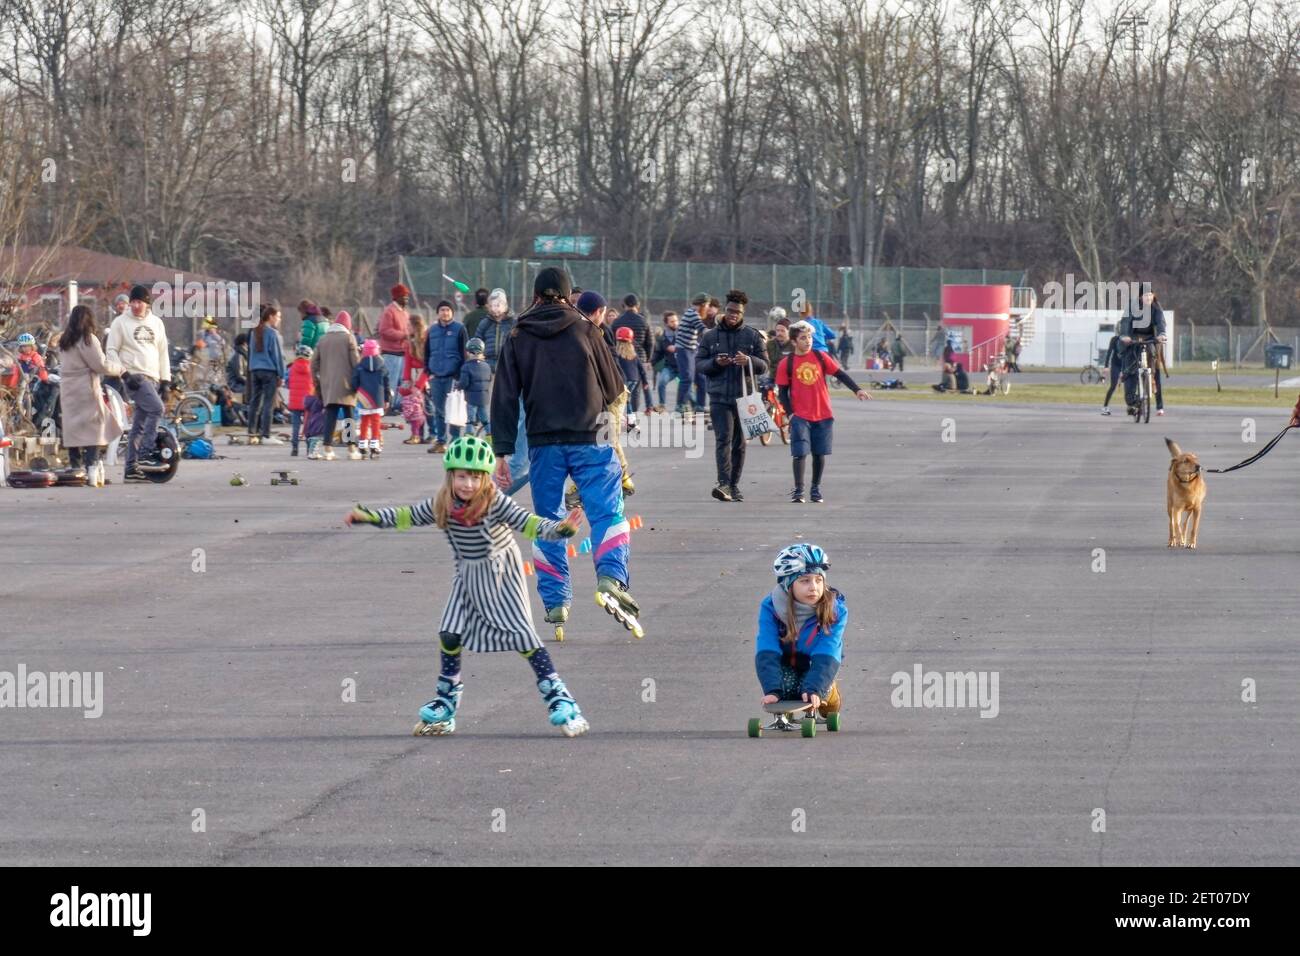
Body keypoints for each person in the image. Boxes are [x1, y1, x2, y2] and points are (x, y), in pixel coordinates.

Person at [345, 435, 589, 736]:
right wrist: (371, 517)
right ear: (451, 477)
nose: (468, 485)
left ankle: (559, 697)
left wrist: (560, 529)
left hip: (502, 575)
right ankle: (447, 700)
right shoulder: (442, 504)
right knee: (449, 632)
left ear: (485, 479)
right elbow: (407, 516)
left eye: (475, 478)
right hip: (467, 575)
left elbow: (528, 523)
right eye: (462, 477)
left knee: (523, 637)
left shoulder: (496, 502)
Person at [490, 266, 639, 638]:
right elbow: (614, 387)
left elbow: (504, 397)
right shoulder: (586, 328)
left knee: (549, 520)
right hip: (591, 436)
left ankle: (556, 604)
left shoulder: (518, 335)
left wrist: (502, 453)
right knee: (607, 511)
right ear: (568, 294)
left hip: (544, 443)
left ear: (536, 295)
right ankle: (610, 579)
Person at [776, 319, 869, 503]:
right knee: (800, 452)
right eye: (803, 338)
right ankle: (799, 490)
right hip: (800, 415)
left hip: (823, 413)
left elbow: (839, 374)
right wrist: (790, 413)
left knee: (819, 453)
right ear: (794, 341)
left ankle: (815, 489)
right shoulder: (786, 363)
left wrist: (856, 389)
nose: (808, 341)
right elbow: (783, 393)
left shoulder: (820, 357)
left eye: (809, 337)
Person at [756, 544, 845, 720]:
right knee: (787, 688)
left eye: (818, 580)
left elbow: (828, 651)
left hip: (817, 663)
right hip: (786, 662)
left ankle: (831, 693)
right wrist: (772, 690)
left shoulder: (835, 610)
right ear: (788, 584)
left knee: (815, 689)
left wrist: (815, 688)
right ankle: (788, 705)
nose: (814, 587)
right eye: (805, 581)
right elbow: (766, 648)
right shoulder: (770, 607)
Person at [697, 289, 768, 502]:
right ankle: (723, 483)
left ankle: (734, 485)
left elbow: (764, 366)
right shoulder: (710, 336)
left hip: (744, 397)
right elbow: (699, 364)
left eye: (737, 312)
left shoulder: (752, 336)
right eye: (729, 310)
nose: (732, 315)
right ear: (724, 310)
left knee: (739, 443)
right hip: (719, 397)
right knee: (723, 439)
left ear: (742, 313)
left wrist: (749, 361)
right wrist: (715, 363)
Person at [105, 284, 171, 481]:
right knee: (157, 409)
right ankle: (146, 454)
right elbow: (111, 351)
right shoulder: (120, 322)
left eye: (139, 302)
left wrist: (166, 381)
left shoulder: (157, 323)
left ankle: (131, 468)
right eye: (133, 302)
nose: (135, 305)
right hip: (135, 377)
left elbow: (162, 353)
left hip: (153, 377)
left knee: (139, 424)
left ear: (147, 303)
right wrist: (124, 374)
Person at [57, 304, 123, 488]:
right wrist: (120, 369)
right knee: (94, 426)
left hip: (68, 388)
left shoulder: (64, 340)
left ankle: (75, 466)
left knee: (72, 427)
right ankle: (92, 466)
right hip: (85, 386)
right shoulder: (88, 340)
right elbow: (100, 365)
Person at [310, 310, 362, 461]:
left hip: (328, 385)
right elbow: (355, 362)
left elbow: (313, 364)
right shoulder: (348, 338)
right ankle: (352, 449)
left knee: (330, 416)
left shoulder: (323, 339)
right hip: (347, 385)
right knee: (349, 417)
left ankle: (328, 449)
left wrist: (317, 381)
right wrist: (358, 380)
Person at [425, 300, 467, 453]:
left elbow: (464, 353)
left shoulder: (460, 329)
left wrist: (460, 374)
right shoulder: (432, 330)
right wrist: (428, 372)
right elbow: (427, 352)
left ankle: (455, 440)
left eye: (448, 310)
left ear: (452, 312)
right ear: (438, 312)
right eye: (442, 310)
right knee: (439, 410)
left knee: (454, 408)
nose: (445, 312)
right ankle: (440, 441)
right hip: (436, 376)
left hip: (453, 376)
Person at [1119, 283, 1167, 416]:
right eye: (1145, 295)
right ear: (1140, 297)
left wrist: (1162, 334)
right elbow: (1125, 322)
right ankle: (1131, 401)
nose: (1148, 297)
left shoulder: (1156, 308)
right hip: (1132, 339)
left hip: (1150, 339)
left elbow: (1161, 323)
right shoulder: (1132, 307)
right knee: (1130, 369)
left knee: (1154, 363)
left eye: (1150, 294)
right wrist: (1125, 336)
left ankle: (1152, 384)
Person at [246, 303, 286, 445]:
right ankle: (266, 434)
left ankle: (251, 433)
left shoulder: (254, 332)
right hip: (269, 371)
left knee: (254, 402)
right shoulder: (272, 333)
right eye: (278, 317)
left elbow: (251, 353)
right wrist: (282, 374)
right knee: (268, 403)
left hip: (255, 370)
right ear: (271, 317)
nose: (279, 320)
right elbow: (277, 355)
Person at [351, 339, 391, 458]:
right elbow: (387, 383)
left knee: (364, 421)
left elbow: (354, 381)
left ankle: (362, 443)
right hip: (378, 397)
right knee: (376, 421)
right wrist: (387, 399)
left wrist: (356, 390)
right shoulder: (382, 365)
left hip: (364, 396)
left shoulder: (360, 366)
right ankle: (375, 443)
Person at [377, 284, 411, 415]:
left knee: (402, 381)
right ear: (397, 297)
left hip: (403, 353)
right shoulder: (389, 312)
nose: (407, 299)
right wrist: (403, 335)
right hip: (391, 353)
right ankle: (388, 406)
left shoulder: (405, 313)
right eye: (404, 296)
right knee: (390, 381)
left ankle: (398, 405)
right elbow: (384, 330)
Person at [675, 293, 708, 416]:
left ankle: (700, 405)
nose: (708, 309)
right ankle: (680, 405)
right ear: (703, 305)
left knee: (701, 378)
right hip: (684, 349)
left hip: (693, 349)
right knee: (687, 378)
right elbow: (702, 329)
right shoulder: (692, 314)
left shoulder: (692, 313)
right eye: (707, 306)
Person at [614, 326, 648, 432]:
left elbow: (615, 368)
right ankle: (632, 423)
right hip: (634, 380)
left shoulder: (616, 353)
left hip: (623, 381)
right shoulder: (633, 354)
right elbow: (641, 369)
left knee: (618, 402)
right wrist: (645, 382)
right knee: (627, 401)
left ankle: (618, 422)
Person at [476, 288, 515, 375]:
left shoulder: (513, 323)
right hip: (487, 367)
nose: (493, 309)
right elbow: (477, 341)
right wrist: (477, 354)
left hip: (507, 367)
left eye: (497, 305)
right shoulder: (484, 323)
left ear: (505, 306)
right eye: (491, 306)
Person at [459, 338, 491, 436]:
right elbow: (489, 379)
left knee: (471, 418)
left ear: (468, 352)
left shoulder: (466, 366)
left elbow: (464, 383)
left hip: (471, 397)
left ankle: (469, 436)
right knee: (485, 418)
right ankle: (491, 436)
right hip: (484, 397)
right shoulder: (487, 366)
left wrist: (458, 386)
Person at [287, 344, 314, 455]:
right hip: (308, 400)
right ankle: (309, 448)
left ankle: (294, 448)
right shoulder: (311, 367)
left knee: (295, 425)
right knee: (308, 425)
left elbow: (288, 383)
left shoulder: (292, 367)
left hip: (295, 401)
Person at [650, 311, 678, 412]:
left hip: (683, 368)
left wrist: (677, 348)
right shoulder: (663, 337)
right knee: (661, 382)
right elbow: (658, 352)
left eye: (676, 321)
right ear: (666, 323)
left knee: (688, 390)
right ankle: (662, 405)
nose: (675, 323)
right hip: (670, 367)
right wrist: (651, 362)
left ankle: (693, 408)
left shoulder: (683, 334)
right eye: (672, 321)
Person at [1100, 331, 1123, 415]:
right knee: (1113, 386)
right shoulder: (1114, 339)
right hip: (1116, 364)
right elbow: (1109, 352)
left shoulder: (1131, 338)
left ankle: (1136, 406)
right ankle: (1105, 407)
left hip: (1127, 364)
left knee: (1133, 384)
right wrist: (1106, 366)